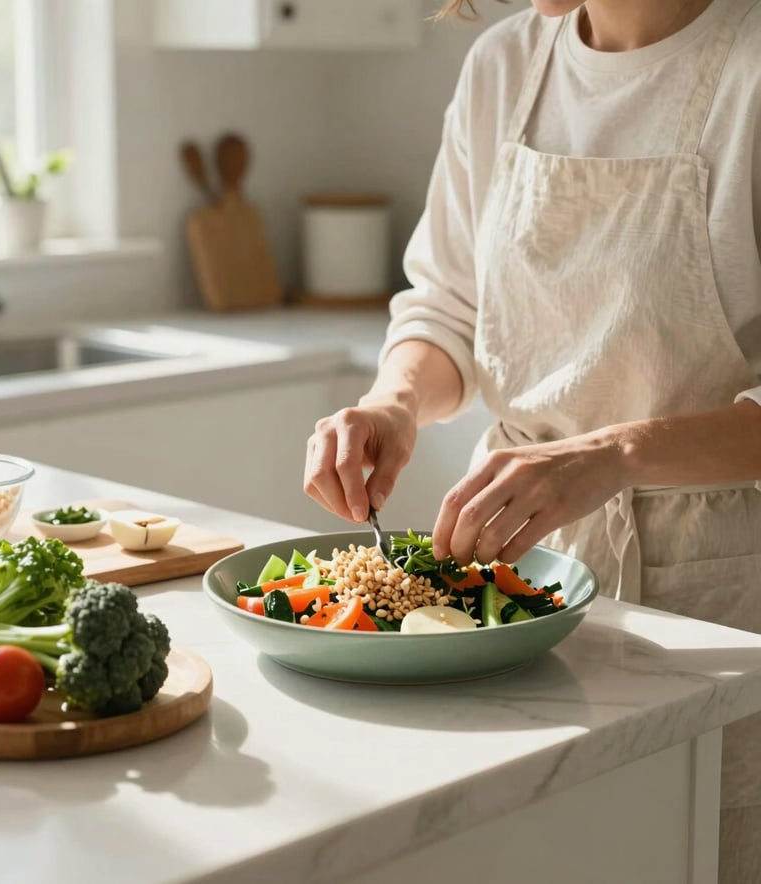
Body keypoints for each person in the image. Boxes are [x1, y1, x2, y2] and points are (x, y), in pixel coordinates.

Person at [303, 0, 761, 879]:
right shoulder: (504, 65)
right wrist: (395, 401)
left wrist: (614, 454)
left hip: (721, 599)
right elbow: (447, 307)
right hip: (516, 581)